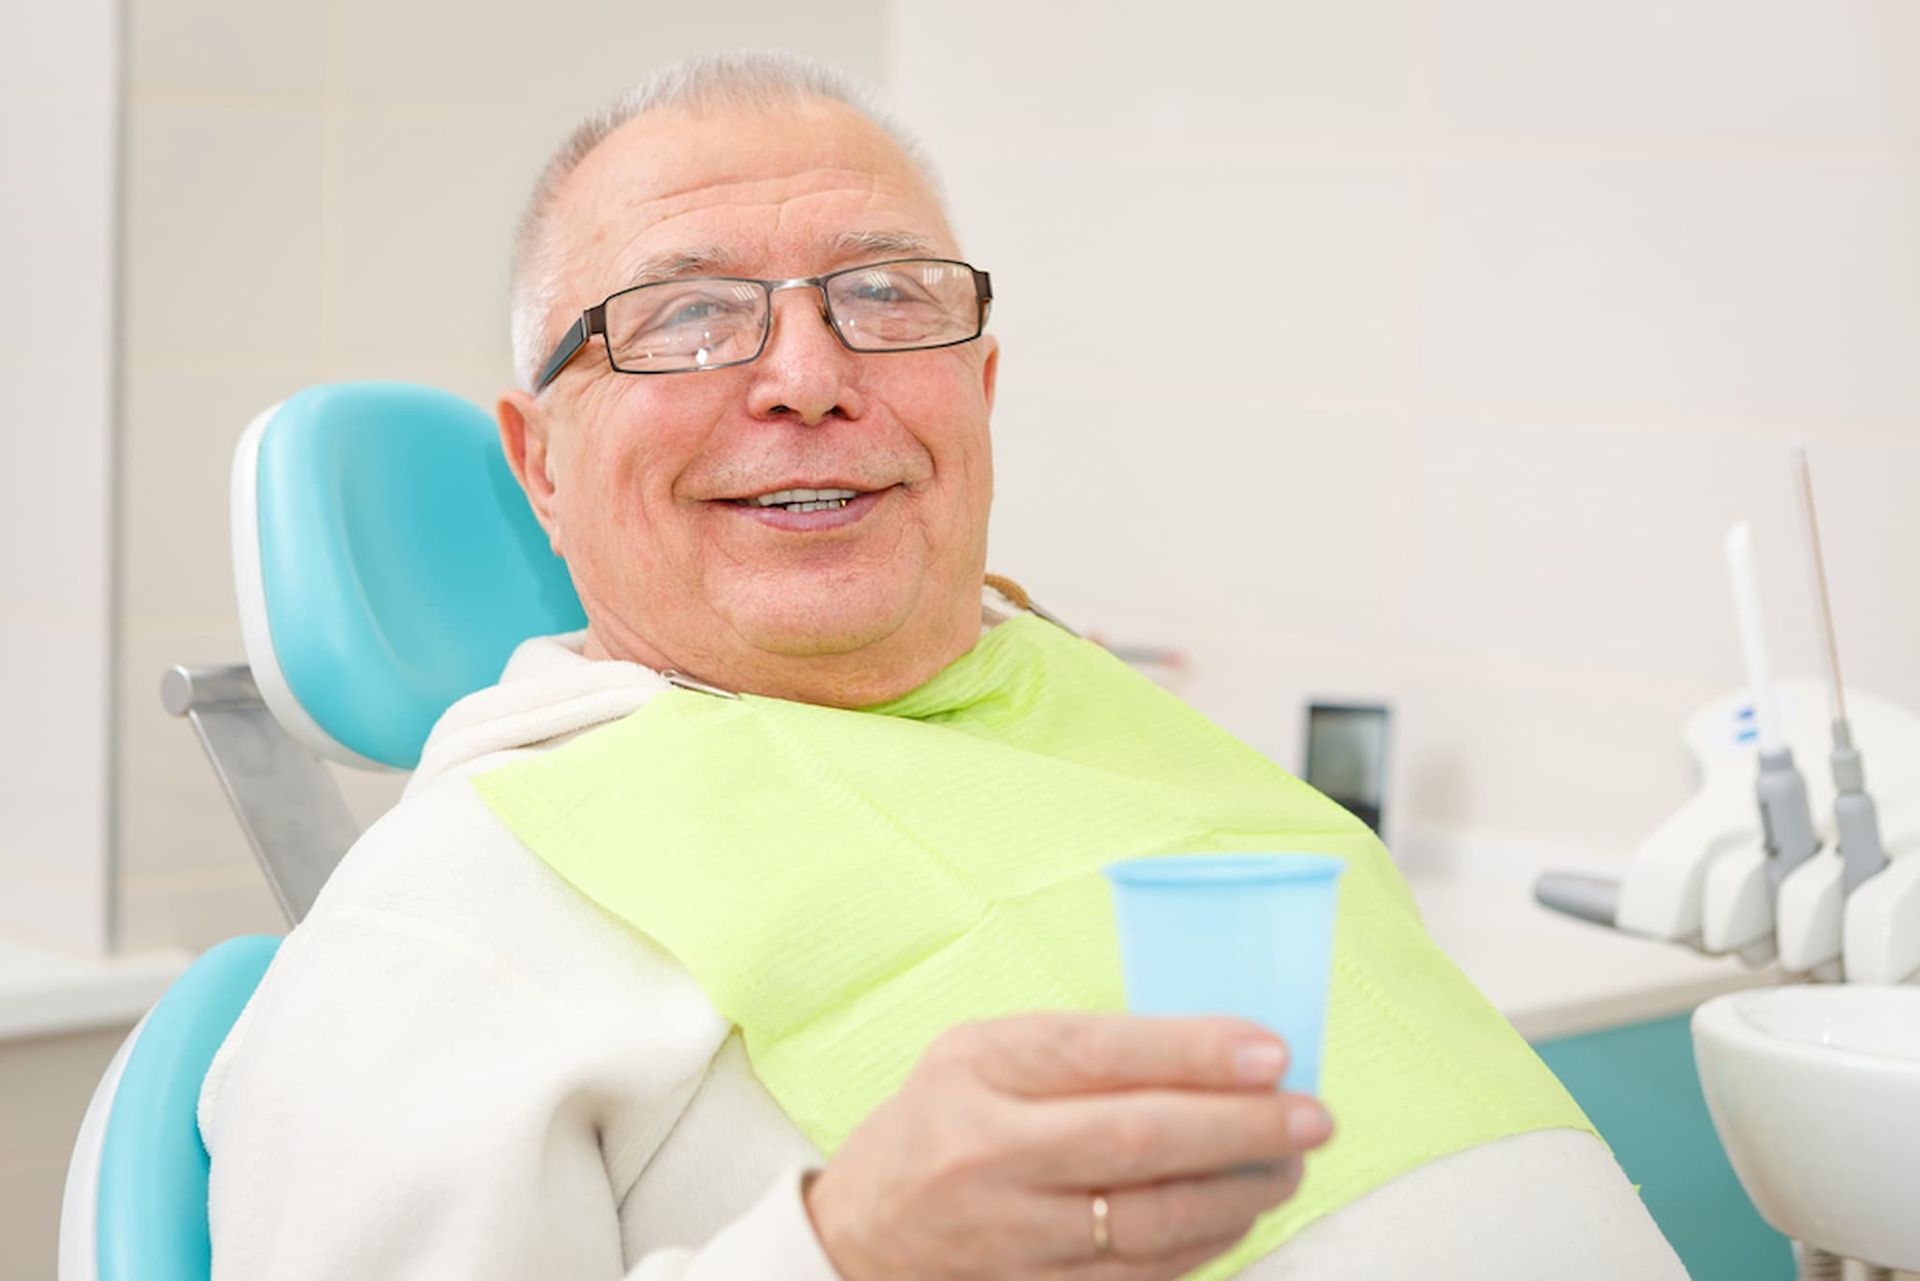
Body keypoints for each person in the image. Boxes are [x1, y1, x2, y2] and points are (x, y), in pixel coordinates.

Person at [199, 51, 1688, 1280]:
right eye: (688, 317)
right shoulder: (455, 912)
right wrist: (843, 1253)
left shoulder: (1093, 704)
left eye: (887, 298)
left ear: (976, 389)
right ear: (538, 464)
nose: (806, 376)